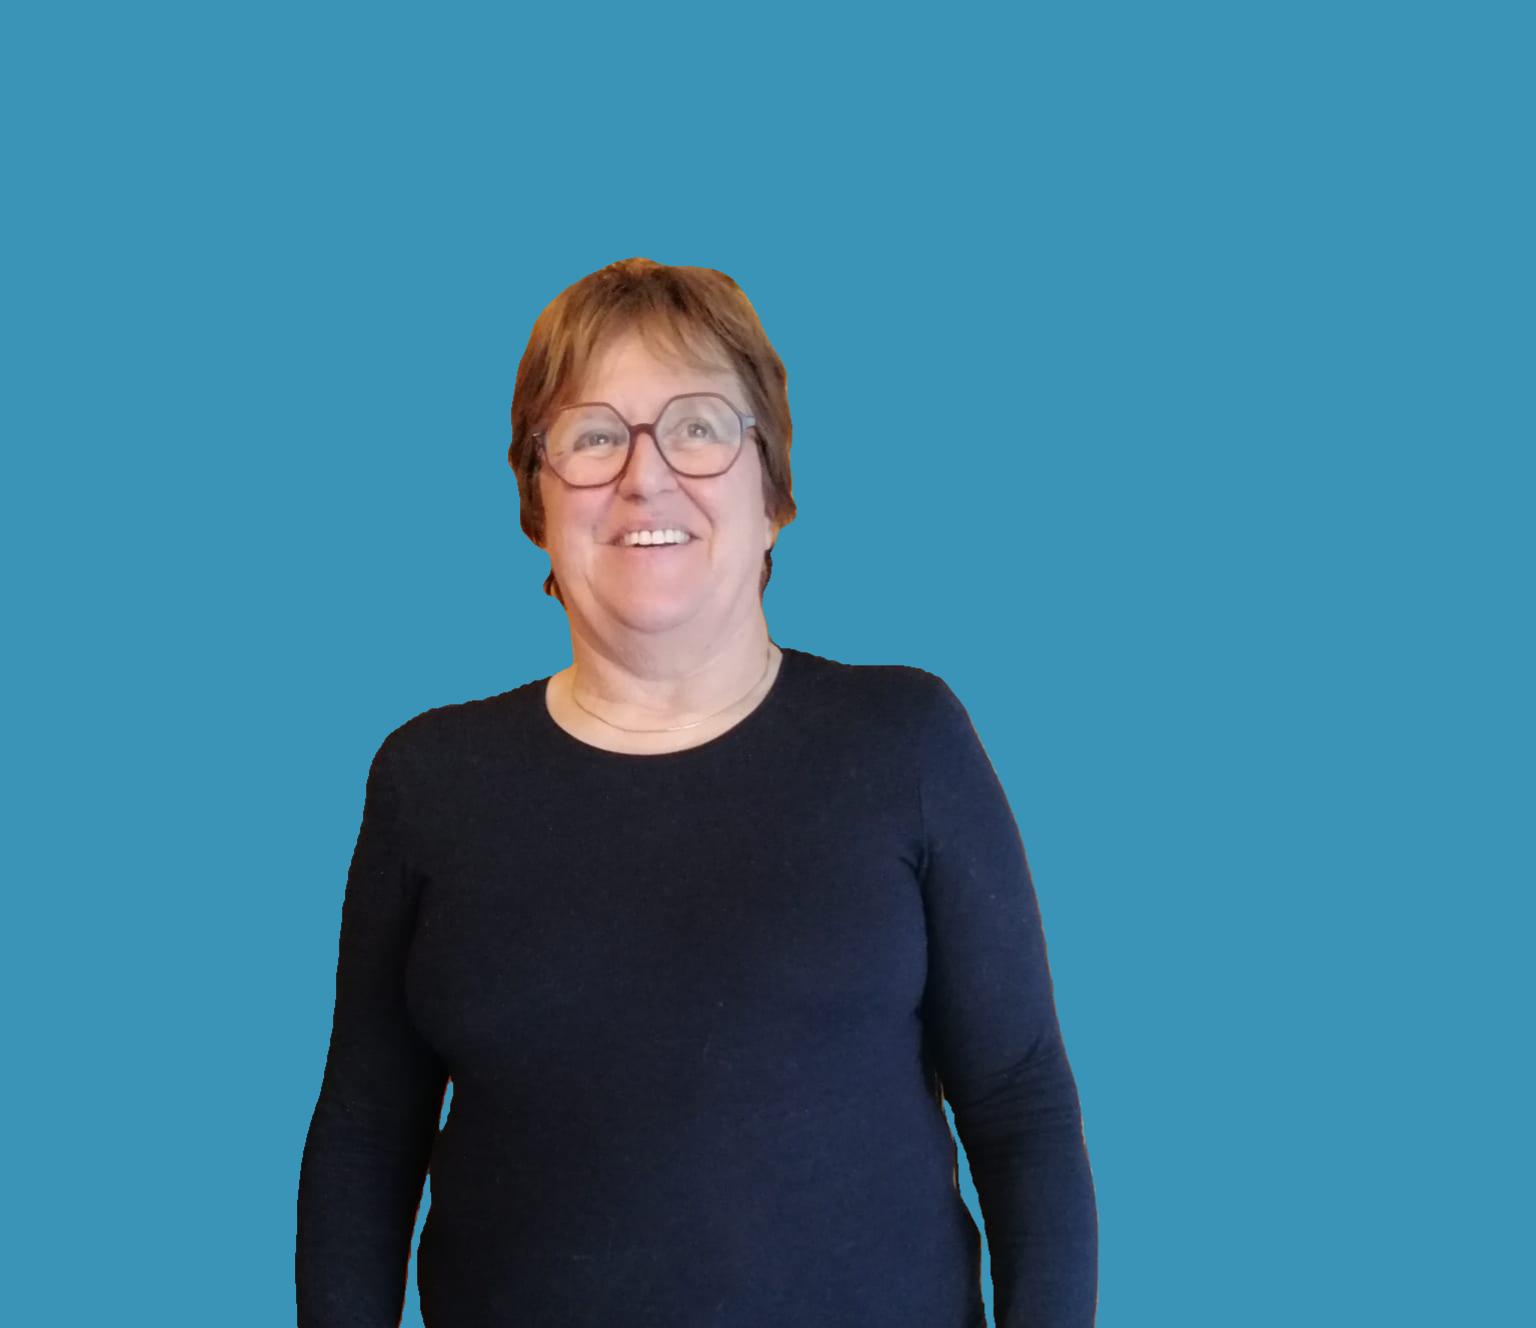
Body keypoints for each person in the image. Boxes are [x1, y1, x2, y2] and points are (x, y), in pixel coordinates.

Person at [296, 257, 1099, 1327]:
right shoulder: (429, 781)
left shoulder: (904, 743)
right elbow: (364, 1136)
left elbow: (1019, 1101)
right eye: (593, 436)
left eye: (699, 428)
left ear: (773, 495)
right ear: (536, 499)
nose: (646, 476)